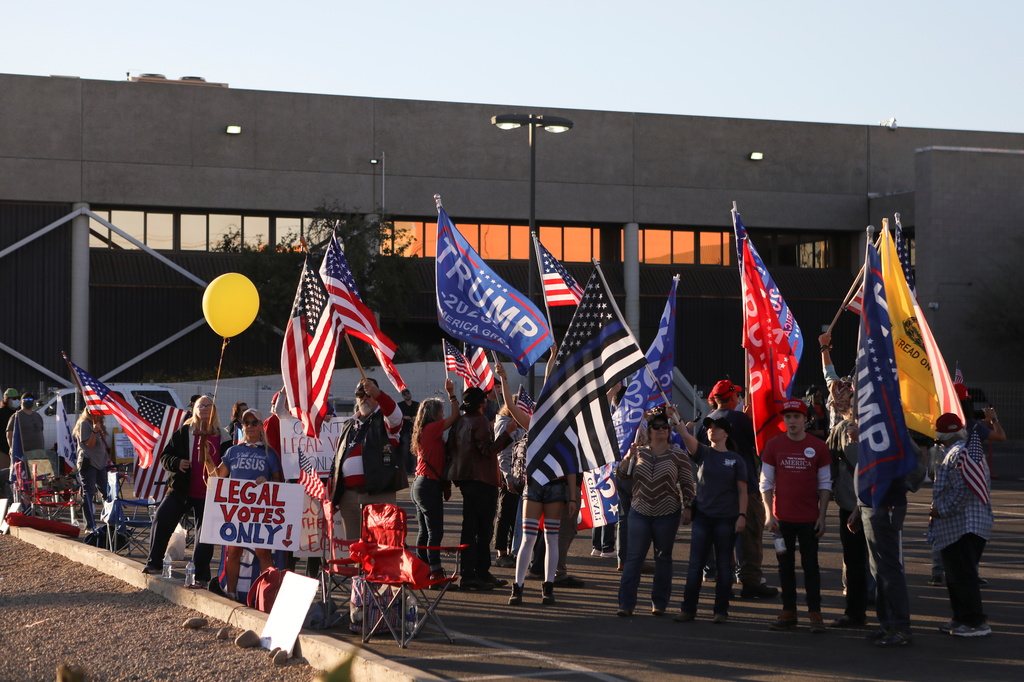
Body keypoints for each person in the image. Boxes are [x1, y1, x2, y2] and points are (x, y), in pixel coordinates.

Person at [494, 360, 576, 606]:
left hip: (556, 486)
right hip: (536, 485)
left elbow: (570, 465)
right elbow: (510, 404)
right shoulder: (534, 425)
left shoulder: (564, 429)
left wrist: (572, 496)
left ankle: (547, 588)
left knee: (550, 537)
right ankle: (517, 587)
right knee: (529, 537)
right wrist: (505, 380)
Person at [760, 399, 831, 633]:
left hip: (810, 518)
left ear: (806, 420)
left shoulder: (819, 446)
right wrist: (770, 515)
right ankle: (789, 612)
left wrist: (822, 516)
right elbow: (766, 483)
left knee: (811, 566)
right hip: (781, 520)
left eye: (797, 417)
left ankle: (815, 614)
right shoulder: (773, 445)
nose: (792, 421)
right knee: (785, 566)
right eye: (788, 417)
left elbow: (824, 484)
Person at [701, 379, 777, 599]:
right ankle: (750, 581)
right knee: (750, 536)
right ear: (733, 397)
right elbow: (760, 445)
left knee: (722, 538)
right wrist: (752, 420)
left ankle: (724, 584)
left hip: (717, 490)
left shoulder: (708, 421)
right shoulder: (740, 419)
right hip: (745, 486)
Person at [616, 409, 696, 617]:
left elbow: (688, 482)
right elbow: (623, 476)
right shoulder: (638, 452)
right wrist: (627, 457)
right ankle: (626, 603)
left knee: (663, 558)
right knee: (634, 558)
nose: (661, 430)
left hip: (667, 511)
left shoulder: (678, 454)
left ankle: (659, 603)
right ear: (649, 431)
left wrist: (688, 506)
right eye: (656, 427)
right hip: (639, 511)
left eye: (665, 427)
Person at [673, 413, 747, 624]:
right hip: (703, 517)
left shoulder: (736, 459)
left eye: (716, 427)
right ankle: (688, 609)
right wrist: (677, 420)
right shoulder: (703, 453)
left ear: (726, 433)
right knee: (695, 564)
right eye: (709, 427)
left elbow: (742, 491)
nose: (711, 430)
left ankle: (721, 611)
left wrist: (742, 515)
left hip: (727, 518)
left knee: (724, 565)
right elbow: (685, 436)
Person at [143, 395, 221, 584]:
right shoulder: (184, 432)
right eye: (200, 406)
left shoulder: (223, 435)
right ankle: (154, 562)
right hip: (181, 490)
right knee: (162, 519)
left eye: (208, 405)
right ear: (194, 410)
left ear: (214, 410)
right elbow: (165, 456)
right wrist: (177, 462)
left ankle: (201, 575)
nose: (204, 409)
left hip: (209, 494)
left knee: (205, 536)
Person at [929, 412, 994, 637]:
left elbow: (961, 490)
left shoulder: (957, 453)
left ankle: (975, 622)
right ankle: (961, 619)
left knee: (963, 577)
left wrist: (940, 510)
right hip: (967, 525)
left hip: (962, 525)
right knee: (957, 576)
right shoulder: (965, 451)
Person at [447, 384, 516, 592]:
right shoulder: (480, 422)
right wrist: (507, 433)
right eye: (485, 400)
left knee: (470, 528)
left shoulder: (460, 423)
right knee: (482, 530)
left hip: (467, 480)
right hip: (482, 481)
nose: (487, 402)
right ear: (480, 404)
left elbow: (451, 449)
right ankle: (476, 573)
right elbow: (488, 450)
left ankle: (475, 573)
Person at [209, 408, 282, 600]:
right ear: (242, 427)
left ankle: (266, 597)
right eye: (246, 423)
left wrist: (267, 483)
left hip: (259, 512)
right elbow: (217, 478)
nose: (250, 426)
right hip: (236, 511)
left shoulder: (269, 453)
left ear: (261, 427)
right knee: (233, 553)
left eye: (254, 423)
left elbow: (280, 484)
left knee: (263, 554)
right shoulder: (232, 451)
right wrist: (207, 458)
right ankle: (231, 593)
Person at [330, 378, 406, 540]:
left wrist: (378, 394)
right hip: (349, 496)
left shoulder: (386, 420)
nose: (364, 398)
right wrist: (333, 494)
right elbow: (338, 459)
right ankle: (359, 566)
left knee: (381, 544)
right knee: (353, 546)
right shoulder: (349, 424)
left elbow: (395, 416)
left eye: (368, 394)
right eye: (360, 394)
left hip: (379, 493)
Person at [410, 379, 460, 581]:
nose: (442, 414)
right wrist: (452, 394)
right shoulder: (433, 429)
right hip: (429, 485)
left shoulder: (423, 431)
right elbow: (455, 416)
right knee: (435, 531)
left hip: (420, 484)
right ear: (434, 414)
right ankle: (435, 571)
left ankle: (423, 569)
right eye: (440, 411)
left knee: (424, 531)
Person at [826, 411, 869, 629]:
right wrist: (835, 486)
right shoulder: (841, 428)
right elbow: (828, 457)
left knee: (883, 564)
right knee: (853, 562)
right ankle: (854, 612)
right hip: (847, 505)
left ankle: (893, 618)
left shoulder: (884, 423)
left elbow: (907, 462)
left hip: (877, 506)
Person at [494, 403, 526, 569]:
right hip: (509, 476)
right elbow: (503, 455)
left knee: (514, 515)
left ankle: (510, 549)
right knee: (505, 514)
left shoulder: (514, 425)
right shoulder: (506, 425)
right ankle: (501, 553)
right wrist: (508, 479)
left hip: (517, 476)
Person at [74, 408, 110, 532]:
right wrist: (94, 431)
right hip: (88, 462)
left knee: (106, 491)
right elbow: (90, 445)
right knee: (89, 492)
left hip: (100, 462)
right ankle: (89, 525)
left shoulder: (99, 423)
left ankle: (110, 521)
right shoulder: (84, 423)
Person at [0, 388, 20, 498]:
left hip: (17, 450)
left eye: (18, 398)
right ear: (7, 400)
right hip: (3, 450)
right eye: (14, 399)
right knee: (5, 475)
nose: (17, 401)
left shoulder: (19, 413)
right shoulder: (2, 413)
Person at [398, 388, 420, 475]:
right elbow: (398, 415)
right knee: (405, 449)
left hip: (414, 430)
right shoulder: (400, 405)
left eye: (408, 394)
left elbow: (420, 414)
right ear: (403, 396)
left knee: (414, 450)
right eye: (405, 395)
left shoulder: (416, 404)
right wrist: (404, 417)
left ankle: (414, 468)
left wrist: (415, 417)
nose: (407, 396)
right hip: (405, 430)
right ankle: (406, 469)